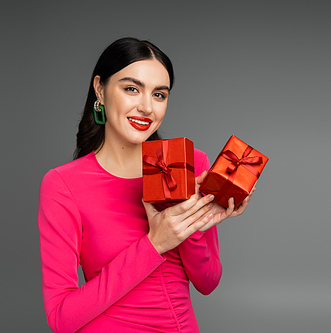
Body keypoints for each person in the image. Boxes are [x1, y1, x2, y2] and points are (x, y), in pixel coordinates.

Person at [38, 37, 254, 333]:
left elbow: (208, 282)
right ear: (100, 88)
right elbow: (62, 318)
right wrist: (154, 244)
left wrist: (191, 226)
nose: (146, 108)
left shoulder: (190, 163)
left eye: (159, 95)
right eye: (131, 89)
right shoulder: (63, 184)